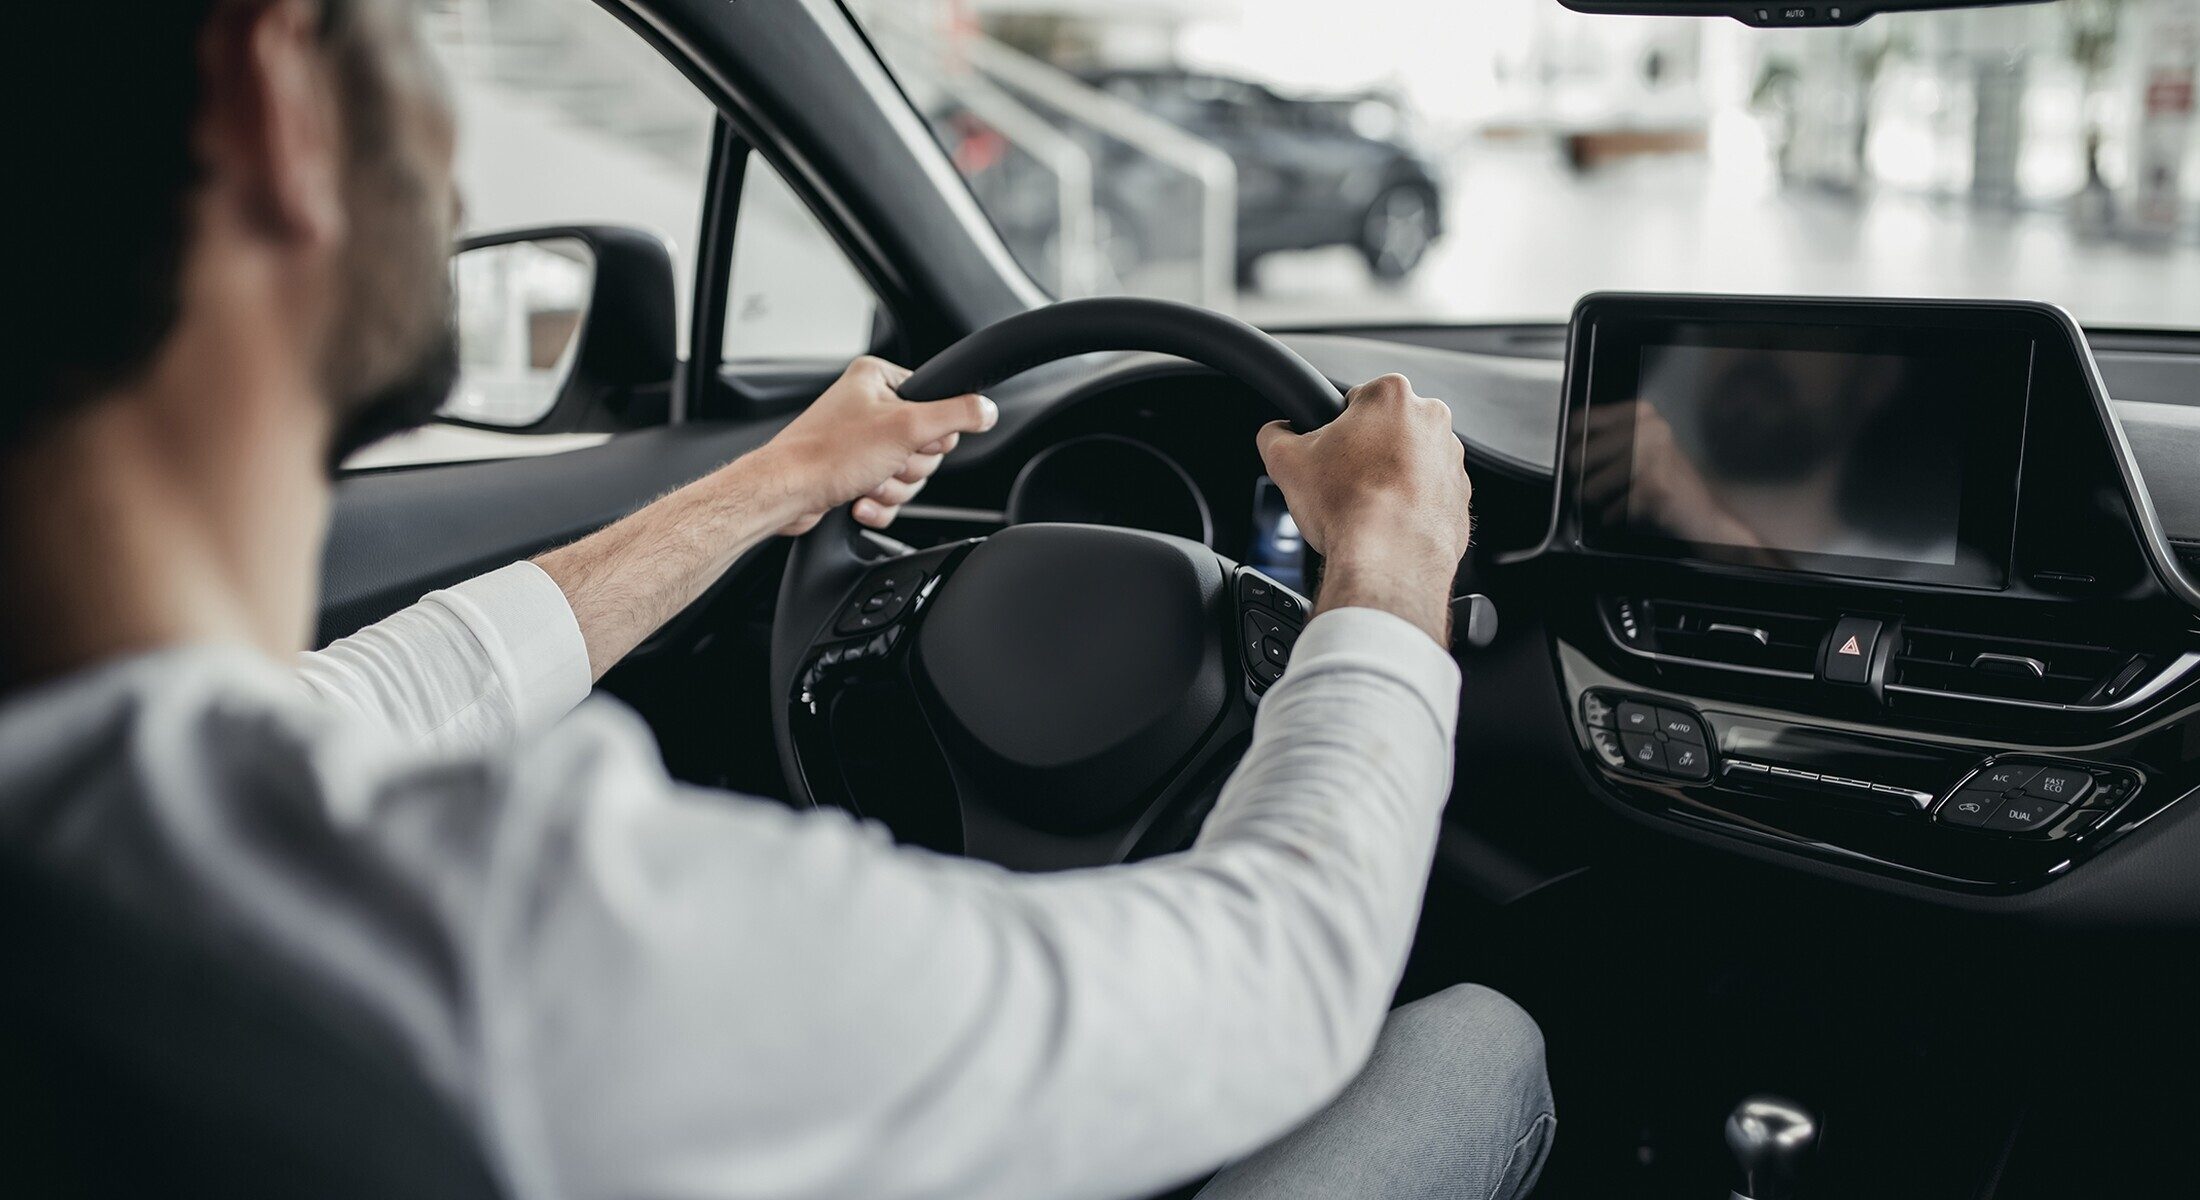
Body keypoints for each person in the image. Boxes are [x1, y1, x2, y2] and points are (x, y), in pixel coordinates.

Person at [0, 2, 1552, 1198]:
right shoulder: (516, 939)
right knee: (1482, 1049)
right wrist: (1391, 574)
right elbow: (1275, 980)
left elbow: (377, 699)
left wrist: (776, 485)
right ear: (278, 92)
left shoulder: (109, 797)